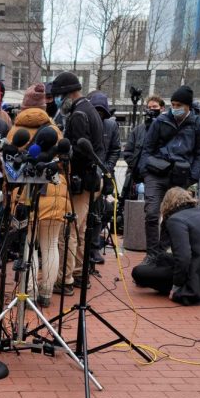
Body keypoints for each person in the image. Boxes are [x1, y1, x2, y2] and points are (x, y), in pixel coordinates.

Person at [139, 85, 200, 261]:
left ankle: (161, 253)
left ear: (188, 106)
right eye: (173, 104)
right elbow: (147, 146)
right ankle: (152, 253)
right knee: (152, 213)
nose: (175, 108)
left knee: (172, 216)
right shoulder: (161, 121)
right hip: (155, 172)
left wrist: (192, 176)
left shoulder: (199, 124)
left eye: (179, 105)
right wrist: (144, 169)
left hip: (180, 176)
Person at [50, 71, 104, 295]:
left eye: (59, 96)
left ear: (69, 94)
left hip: (80, 180)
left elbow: (81, 151)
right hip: (90, 180)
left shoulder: (79, 115)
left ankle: (65, 279)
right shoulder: (89, 109)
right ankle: (80, 272)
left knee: (69, 231)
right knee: (80, 229)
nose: (58, 101)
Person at [8, 107, 69, 306]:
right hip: (55, 193)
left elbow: (9, 167)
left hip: (28, 195)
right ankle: (46, 293)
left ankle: (30, 293)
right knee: (50, 245)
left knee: (29, 245)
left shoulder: (15, 131)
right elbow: (65, 163)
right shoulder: (55, 130)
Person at [134, 187, 200, 305]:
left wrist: (176, 286)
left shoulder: (176, 220)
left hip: (195, 277)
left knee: (138, 272)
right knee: (163, 258)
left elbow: (183, 257)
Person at [87, 91, 121, 263]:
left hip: (105, 175)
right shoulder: (83, 122)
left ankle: (94, 247)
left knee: (101, 211)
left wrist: (105, 169)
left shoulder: (111, 125)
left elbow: (115, 150)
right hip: (86, 174)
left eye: (101, 112)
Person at [122, 95, 164, 201]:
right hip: (137, 177)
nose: (151, 110)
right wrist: (137, 167)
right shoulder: (138, 130)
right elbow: (128, 152)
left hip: (157, 177)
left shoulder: (166, 129)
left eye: (155, 107)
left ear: (162, 108)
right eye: (149, 107)